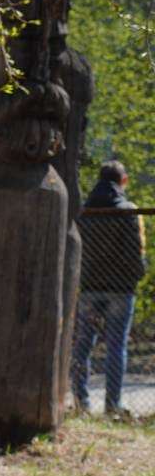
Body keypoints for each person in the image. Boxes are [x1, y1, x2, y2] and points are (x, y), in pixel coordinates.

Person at [72, 160, 147, 417]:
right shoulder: (127, 211)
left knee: (83, 344)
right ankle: (112, 405)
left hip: (90, 286)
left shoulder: (84, 211)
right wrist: (137, 275)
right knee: (116, 346)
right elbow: (134, 251)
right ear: (123, 181)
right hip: (120, 289)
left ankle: (81, 402)